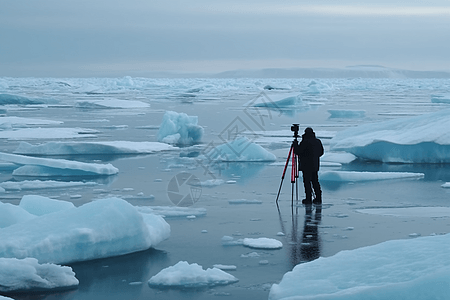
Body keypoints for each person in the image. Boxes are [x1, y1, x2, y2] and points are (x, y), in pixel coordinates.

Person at [294, 127, 324, 204]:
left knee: (307, 182)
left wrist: (295, 145)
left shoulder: (305, 142)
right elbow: (321, 152)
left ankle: (308, 198)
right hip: (315, 165)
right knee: (315, 181)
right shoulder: (317, 141)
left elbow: (298, 151)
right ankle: (318, 198)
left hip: (306, 165)